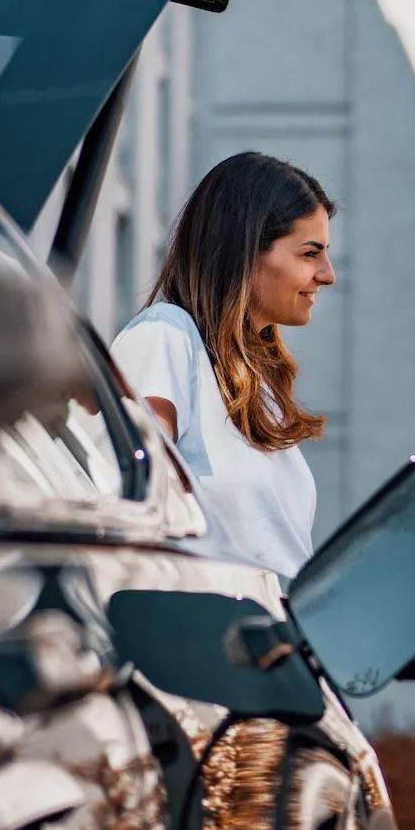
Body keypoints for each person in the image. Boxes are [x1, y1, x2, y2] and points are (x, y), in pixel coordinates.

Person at [112, 152, 336, 579]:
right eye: (311, 254)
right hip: (205, 634)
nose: (328, 274)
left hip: (273, 633)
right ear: (247, 249)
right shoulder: (165, 336)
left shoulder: (256, 384)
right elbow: (130, 507)